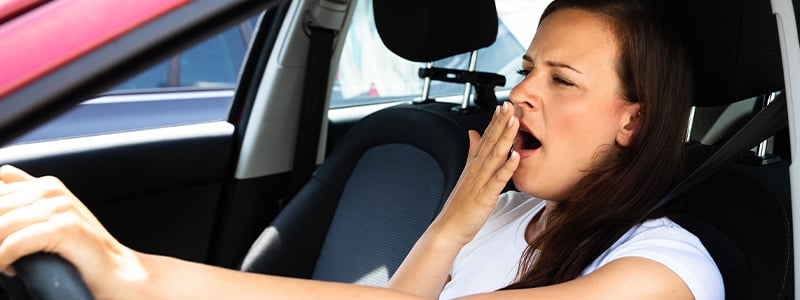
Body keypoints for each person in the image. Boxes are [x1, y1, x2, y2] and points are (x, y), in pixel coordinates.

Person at [0, 0, 723, 299]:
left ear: (634, 120)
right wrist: (457, 221)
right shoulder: (507, 216)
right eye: (527, 67)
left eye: (560, 79)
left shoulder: (663, 269)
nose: (521, 92)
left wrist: (133, 272)